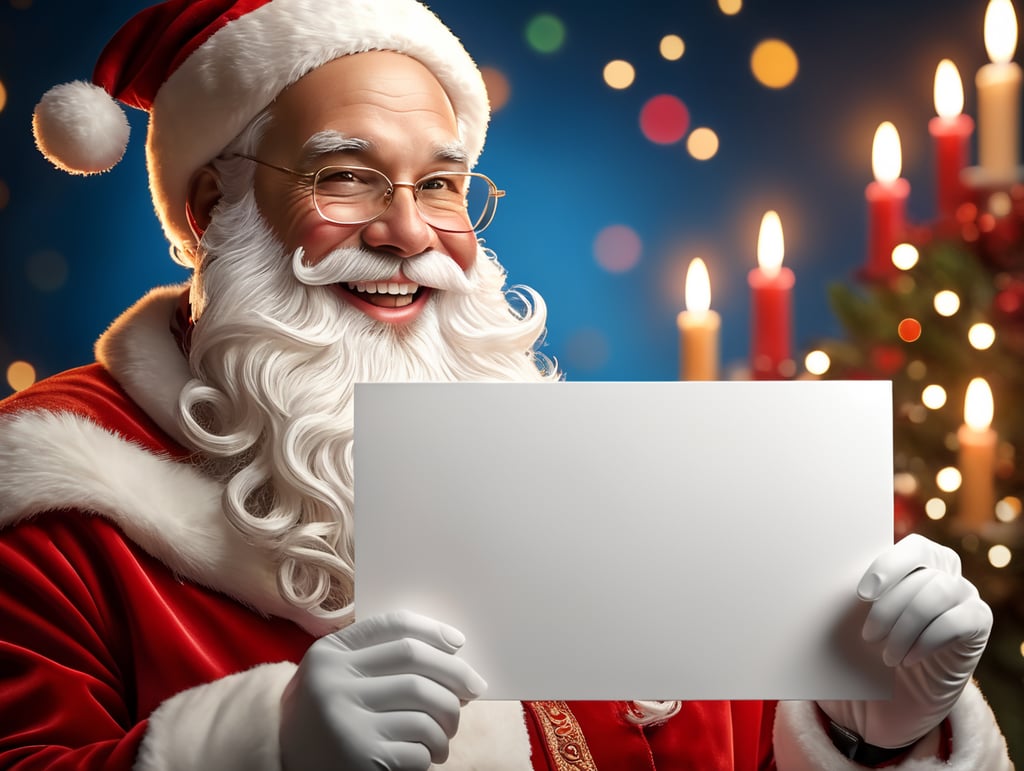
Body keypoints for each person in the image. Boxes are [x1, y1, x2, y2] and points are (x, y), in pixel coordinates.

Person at [0, 0, 1013, 768]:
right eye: (345, 176)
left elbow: (713, 743)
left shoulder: (566, 463)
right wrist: (263, 745)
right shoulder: (58, 492)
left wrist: (871, 730)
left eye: (439, 184)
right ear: (211, 205)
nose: (406, 234)